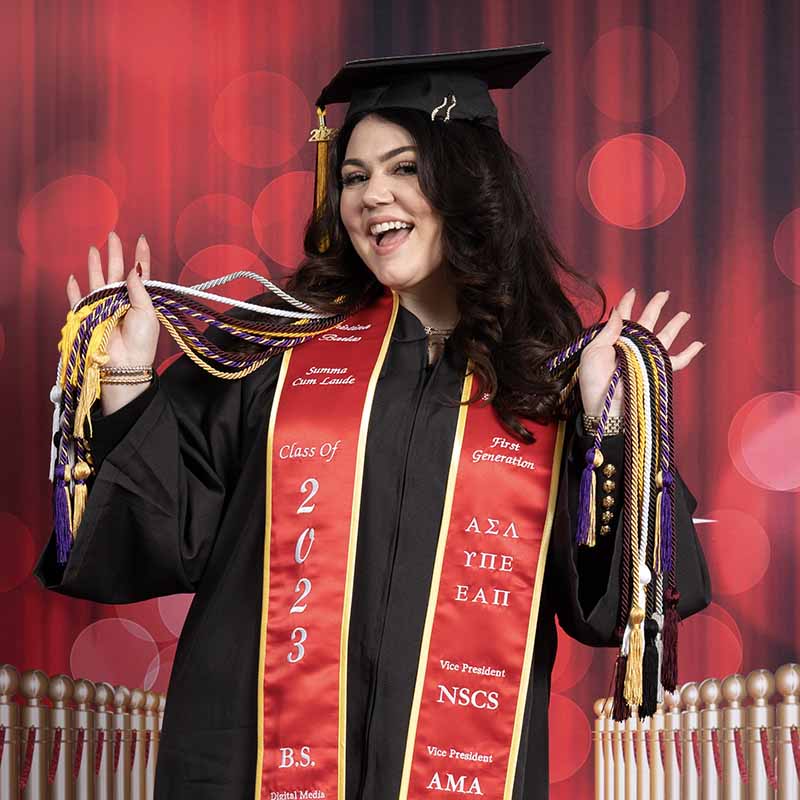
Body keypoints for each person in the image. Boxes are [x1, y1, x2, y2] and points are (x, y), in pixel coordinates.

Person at [36, 44, 710, 799]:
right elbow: (165, 535)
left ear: (465, 182)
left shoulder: (544, 377)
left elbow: (614, 607)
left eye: (403, 168)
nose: (371, 197)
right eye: (354, 176)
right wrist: (129, 376)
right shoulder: (277, 348)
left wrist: (615, 422)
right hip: (249, 767)